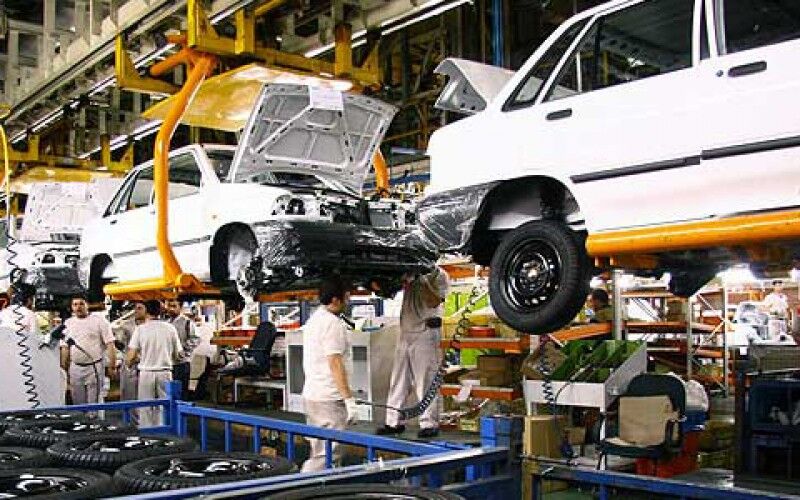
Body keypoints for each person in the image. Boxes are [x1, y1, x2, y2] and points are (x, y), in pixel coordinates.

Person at [377, 269, 449, 439]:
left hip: (425, 332)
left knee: (425, 380)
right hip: (405, 332)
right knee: (398, 380)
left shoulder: (440, 276)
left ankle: (429, 424)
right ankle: (393, 422)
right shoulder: (409, 271)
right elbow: (389, 292)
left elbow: (433, 301)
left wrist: (422, 279)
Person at [301, 275, 359, 472]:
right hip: (329, 399)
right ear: (335, 300)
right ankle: (301, 486)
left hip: (314, 396)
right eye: (347, 297)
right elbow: (335, 363)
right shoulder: (332, 324)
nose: (348, 301)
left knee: (320, 451)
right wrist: (348, 399)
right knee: (326, 456)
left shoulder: (315, 319)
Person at [126, 300, 183, 427]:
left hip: (146, 373)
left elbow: (131, 355)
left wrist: (129, 364)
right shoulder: (170, 328)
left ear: (146, 311)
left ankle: (147, 434)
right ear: (161, 311)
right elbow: (178, 354)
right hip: (165, 372)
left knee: (145, 407)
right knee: (165, 406)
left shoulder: (140, 329)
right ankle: (164, 433)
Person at [61, 295, 116, 405]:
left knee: (94, 402)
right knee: (77, 402)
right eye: (75, 304)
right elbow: (65, 347)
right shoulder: (68, 323)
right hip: (75, 368)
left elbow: (110, 344)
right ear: (72, 307)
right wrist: (63, 367)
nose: (78, 307)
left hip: (94, 367)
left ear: (87, 305)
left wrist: (112, 366)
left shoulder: (99, 321)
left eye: (81, 304)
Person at [113, 301, 147, 405]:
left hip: (146, 364)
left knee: (145, 397)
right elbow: (119, 342)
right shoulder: (126, 325)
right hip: (130, 364)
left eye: (140, 308)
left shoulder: (151, 325)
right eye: (135, 308)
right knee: (128, 395)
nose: (136, 311)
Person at [164, 299, 197, 396]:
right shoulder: (166, 322)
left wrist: (184, 351)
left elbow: (195, 339)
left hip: (182, 363)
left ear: (180, 307)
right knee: (169, 392)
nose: (171, 309)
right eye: (169, 306)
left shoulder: (187, 322)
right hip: (168, 363)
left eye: (174, 306)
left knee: (181, 392)